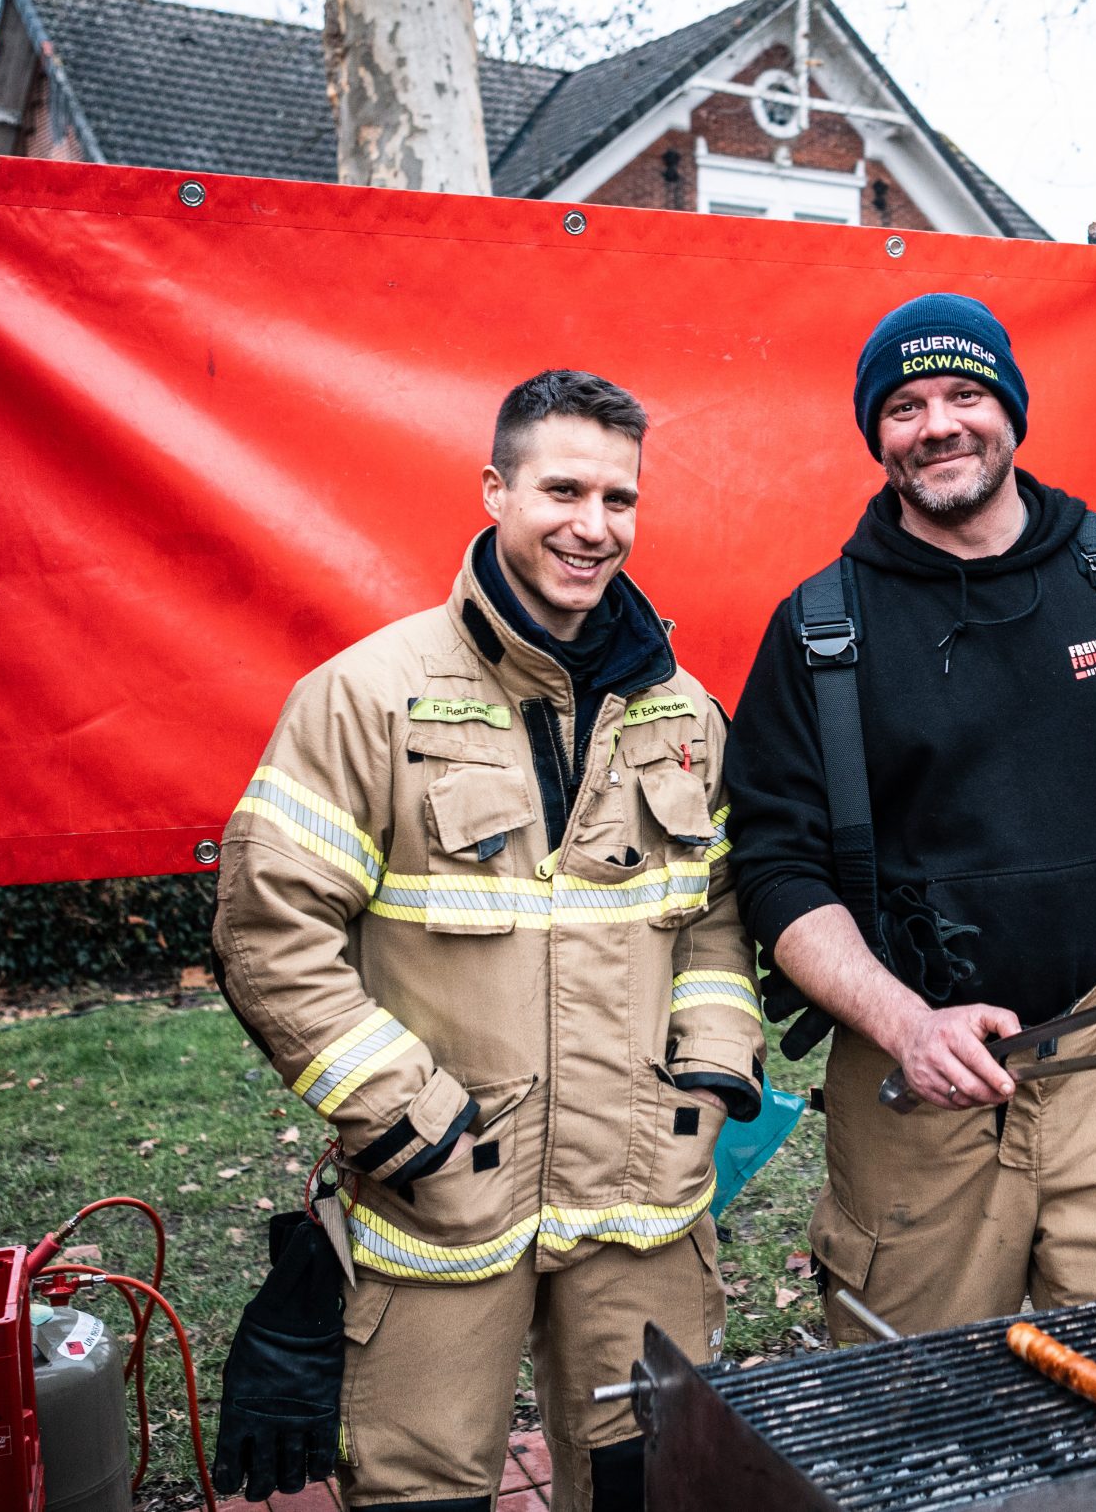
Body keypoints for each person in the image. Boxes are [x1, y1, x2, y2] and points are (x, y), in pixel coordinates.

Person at [207, 371, 763, 1512]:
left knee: (649, 1481)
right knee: (421, 1491)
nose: (591, 525)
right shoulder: (365, 699)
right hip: (444, 1189)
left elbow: (716, 911)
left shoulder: (686, 715)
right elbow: (270, 933)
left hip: (642, 1190)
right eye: (562, 488)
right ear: (496, 490)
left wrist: (710, 1062)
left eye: (620, 498)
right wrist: (400, 1114)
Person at [728, 292, 1096, 1340]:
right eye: (903, 407)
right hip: (915, 1070)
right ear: (877, 437)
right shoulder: (821, 629)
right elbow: (774, 870)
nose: (938, 424)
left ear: (1010, 409)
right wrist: (906, 1025)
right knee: (914, 1388)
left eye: (964, 393)